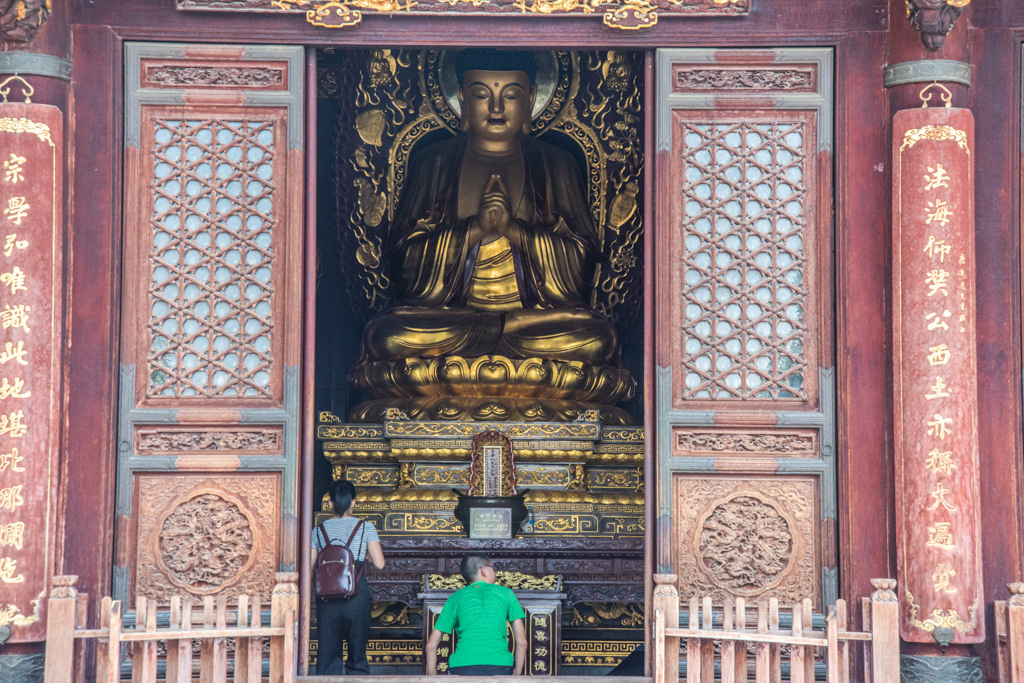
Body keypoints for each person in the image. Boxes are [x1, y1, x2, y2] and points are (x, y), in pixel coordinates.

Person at [360, 48, 620, 366]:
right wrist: (476, 229)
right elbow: (406, 262)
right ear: (461, 98)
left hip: (532, 321)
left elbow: (579, 260)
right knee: (385, 336)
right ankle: (499, 337)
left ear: (531, 98)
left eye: (511, 95)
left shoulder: (557, 164)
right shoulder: (433, 163)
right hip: (453, 320)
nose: (496, 107)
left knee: (598, 338)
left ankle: (497, 336)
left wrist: (512, 230)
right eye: (481, 95)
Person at [311, 479, 386, 675]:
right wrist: (366, 555)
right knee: (357, 655)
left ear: (330, 503)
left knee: (327, 656)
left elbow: (311, 567)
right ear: (353, 501)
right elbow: (379, 563)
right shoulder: (365, 527)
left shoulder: (318, 531)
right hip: (356, 594)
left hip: (327, 597)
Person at [424, 554, 527, 676]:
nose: (495, 572)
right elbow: (522, 642)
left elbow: (431, 645)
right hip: (500, 666)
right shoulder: (506, 594)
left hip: (463, 667)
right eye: (493, 567)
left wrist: (433, 678)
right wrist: (516, 675)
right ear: (483, 570)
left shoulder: (455, 598)